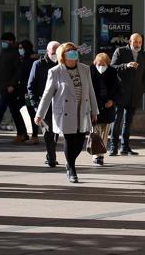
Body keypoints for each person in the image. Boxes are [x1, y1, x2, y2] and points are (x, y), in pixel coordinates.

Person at [34, 42, 99, 183]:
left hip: (82, 110)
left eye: (74, 51)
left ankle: (70, 162)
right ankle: (71, 168)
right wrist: (40, 114)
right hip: (65, 112)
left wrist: (95, 110)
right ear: (62, 55)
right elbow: (47, 94)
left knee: (80, 140)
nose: (73, 53)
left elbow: (91, 91)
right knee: (69, 140)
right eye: (69, 51)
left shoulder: (85, 69)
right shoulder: (55, 71)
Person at [109, 33, 145, 156]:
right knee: (116, 121)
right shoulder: (120, 51)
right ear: (130, 41)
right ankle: (113, 147)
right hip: (120, 92)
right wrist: (126, 65)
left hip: (135, 93)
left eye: (140, 42)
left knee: (128, 122)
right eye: (135, 42)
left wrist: (143, 89)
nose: (137, 44)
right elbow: (112, 68)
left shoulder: (144, 55)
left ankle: (125, 147)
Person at [28, 41, 61, 167]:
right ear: (47, 51)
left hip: (59, 103)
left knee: (56, 130)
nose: (55, 55)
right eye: (53, 52)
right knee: (48, 131)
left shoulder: (62, 64)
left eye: (57, 53)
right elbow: (31, 86)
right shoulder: (38, 64)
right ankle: (51, 157)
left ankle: (50, 155)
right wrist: (36, 105)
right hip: (44, 103)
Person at [90, 53, 119, 166]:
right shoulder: (91, 71)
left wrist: (112, 100)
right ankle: (96, 155)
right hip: (95, 106)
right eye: (99, 64)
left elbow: (118, 89)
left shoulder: (112, 72)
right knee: (96, 132)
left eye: (103, 64)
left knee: (104, 133)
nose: (101, 66)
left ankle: (100, 155)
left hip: (107, 107)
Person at [16, 40, 40, 145]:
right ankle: (24, 133)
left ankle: (34, 136)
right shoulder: (24, 59)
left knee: (31, 112)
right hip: (23, 90)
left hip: (28, 91)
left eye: (21, 47)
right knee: (17, 109)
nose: (20, 50)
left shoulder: (31, 60)